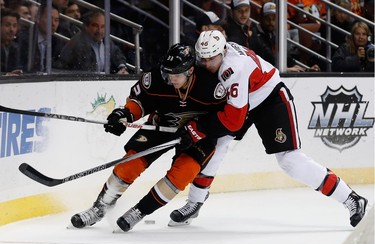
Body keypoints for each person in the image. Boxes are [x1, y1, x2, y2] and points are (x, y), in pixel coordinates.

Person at [169, 30, 368, 228]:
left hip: (270, 99)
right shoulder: (214, 56)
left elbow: (233, 121)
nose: (205, 64)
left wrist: (198, 127)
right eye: (202, 59)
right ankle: (195, 201)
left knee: (290, 160)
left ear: (222, 52)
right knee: (216, 144)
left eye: (211, 59)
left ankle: (351, 198)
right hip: (245, 99)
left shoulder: (234, 69)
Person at [70, 43, 228, 232]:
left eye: (177, 74)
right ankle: (100, 208)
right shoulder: (156, 79)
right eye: (169, 73)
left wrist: (196, 131)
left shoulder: (210, 86)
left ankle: (139, 211)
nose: (171, 78)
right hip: (161, 125)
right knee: (130, 163)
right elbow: (139, 102)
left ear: (191, 70)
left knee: (183, 173)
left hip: (198, 134)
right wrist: (124, 115)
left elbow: (225, 118)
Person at [250, 2, 320, 72]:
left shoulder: (273, 34)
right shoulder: (255, 35)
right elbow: (266, 63)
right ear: (261, 18)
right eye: (267, 19)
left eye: (274, 18)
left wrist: (305, 69)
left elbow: (287, 59)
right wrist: (286, 70)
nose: (271, 22)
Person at [56, 10, 129, 74]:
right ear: (86, 27)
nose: (99, 31)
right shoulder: (77, 43)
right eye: (95, 26)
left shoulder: (106, 40)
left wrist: (122, 67)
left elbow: (117, 54)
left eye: (103, 26)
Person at [18, 4, 65, 73]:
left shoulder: (57, 41)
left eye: (56, 20)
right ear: (38, 18)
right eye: (49, 19)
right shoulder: (25, 38)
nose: (53, 24)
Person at [0, 8, 23, 76]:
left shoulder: (16, 48)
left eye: (14, 26)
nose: (12, 30)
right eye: (7, 25)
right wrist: (5, 75)